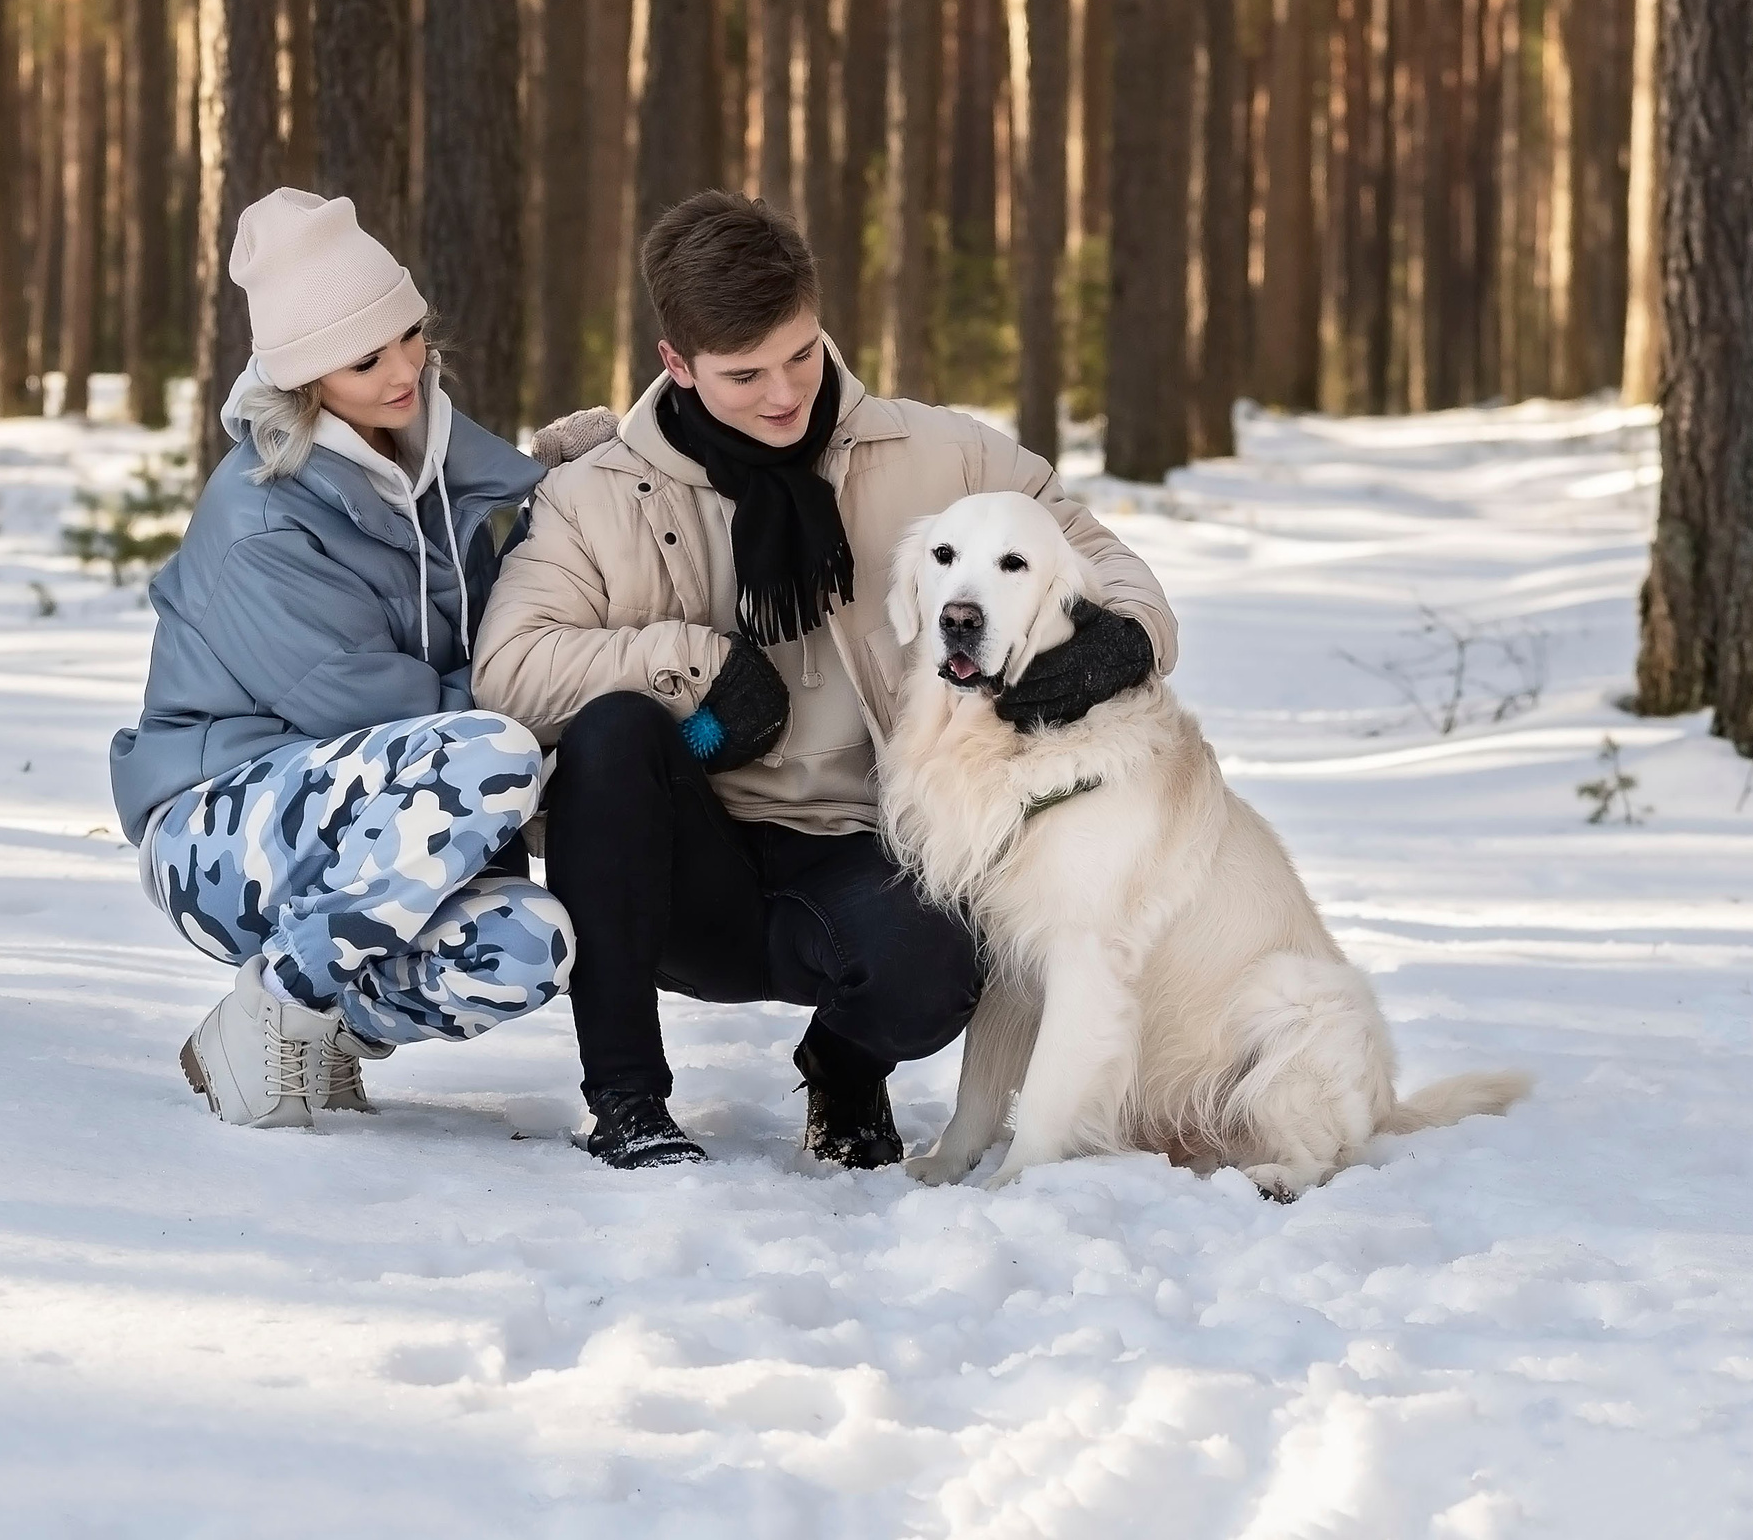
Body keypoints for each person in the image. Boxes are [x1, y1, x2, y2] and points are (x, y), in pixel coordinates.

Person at [472, 190, 1180, 1170]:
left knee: (938, 967)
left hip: (865, 847)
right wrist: (695, 663)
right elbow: (507, 669)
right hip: (677, 869)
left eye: (800, 355)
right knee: (613, 732)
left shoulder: (944, 458)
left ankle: (844, 1068)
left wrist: (1119, 640)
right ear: (676, 363)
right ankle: (626, 1099)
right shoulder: (595, 497)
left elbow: (1101, 562)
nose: (782, 394)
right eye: (744, 374)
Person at [112, 187, 571, 1130]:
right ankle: (275, 1004)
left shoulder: (431, 464)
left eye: (410, 335)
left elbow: (506, 627)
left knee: (531, 942)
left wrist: (573, 495)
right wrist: (545, 696)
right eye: (366, 359)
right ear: (306, 377)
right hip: (215, 827)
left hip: (367, 807)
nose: (405, 369)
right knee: (495, 752)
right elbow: (380, 711)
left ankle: (329, 1025)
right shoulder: (260, 517)